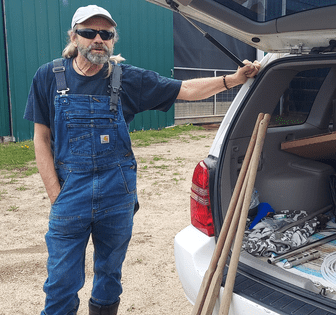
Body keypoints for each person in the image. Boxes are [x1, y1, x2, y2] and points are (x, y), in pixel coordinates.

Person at [23, 5, 260, 315]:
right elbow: (41, 138)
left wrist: (234, 79)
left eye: (106, 34)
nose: (98, 39)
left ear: (113, 40)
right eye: (89, 32)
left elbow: (185, 89)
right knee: (61, 282)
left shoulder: (126, 78)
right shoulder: (49, 76)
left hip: (116, 197)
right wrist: (56, 195)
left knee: (109, 276)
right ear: (74, 36)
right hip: (70, 195)